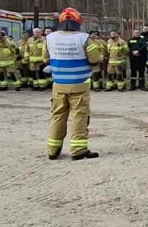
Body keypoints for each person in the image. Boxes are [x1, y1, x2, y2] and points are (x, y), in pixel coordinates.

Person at [43, 8, 103, 160]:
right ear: (78, 22)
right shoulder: (83, 38)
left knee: (57, 115)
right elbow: (95, 59)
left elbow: (45, 59)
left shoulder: (50, 38)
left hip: (58, 83)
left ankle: (53, 149)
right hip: (80, 83)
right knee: (79, 115)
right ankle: (78, 149)